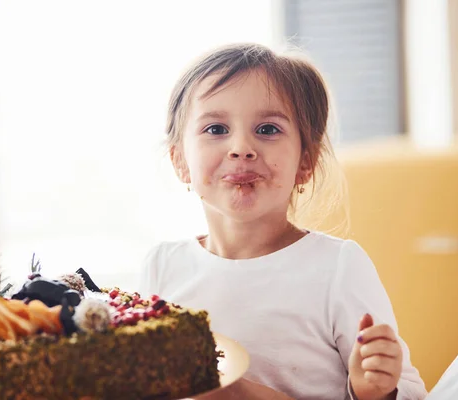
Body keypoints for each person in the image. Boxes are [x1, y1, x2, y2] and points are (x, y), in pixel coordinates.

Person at [139, 43, 427, 400]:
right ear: (180, 160)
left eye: (268, 129)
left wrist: (374, 389)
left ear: (305, 161)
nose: (241, 147)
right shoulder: (163, 266)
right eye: (215, 129)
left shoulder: (337, 267)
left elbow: (412, 391)